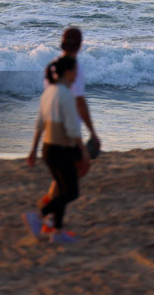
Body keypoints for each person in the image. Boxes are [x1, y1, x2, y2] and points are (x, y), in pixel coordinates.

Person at [24, 55, 89, 243]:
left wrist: (33, 150)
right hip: (62, 149)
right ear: (68, 72)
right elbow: (72, 128)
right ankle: (38, 216)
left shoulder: (49, 92)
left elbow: (39, 124)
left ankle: (57, 232)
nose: (77, 75)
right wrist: (82, 149)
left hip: (47, 149)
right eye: (75, 71)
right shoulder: (66, 94)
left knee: (61, 189)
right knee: (71, 192)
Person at [39, 28, 98, 213]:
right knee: (77, 172)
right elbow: (79, 101)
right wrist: (92, 132)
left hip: (52, 128)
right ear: (80, 45)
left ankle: (51, 218)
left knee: (66, 176)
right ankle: (45, 211)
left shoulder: (52, 65)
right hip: (67, 132)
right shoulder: (74, 68)